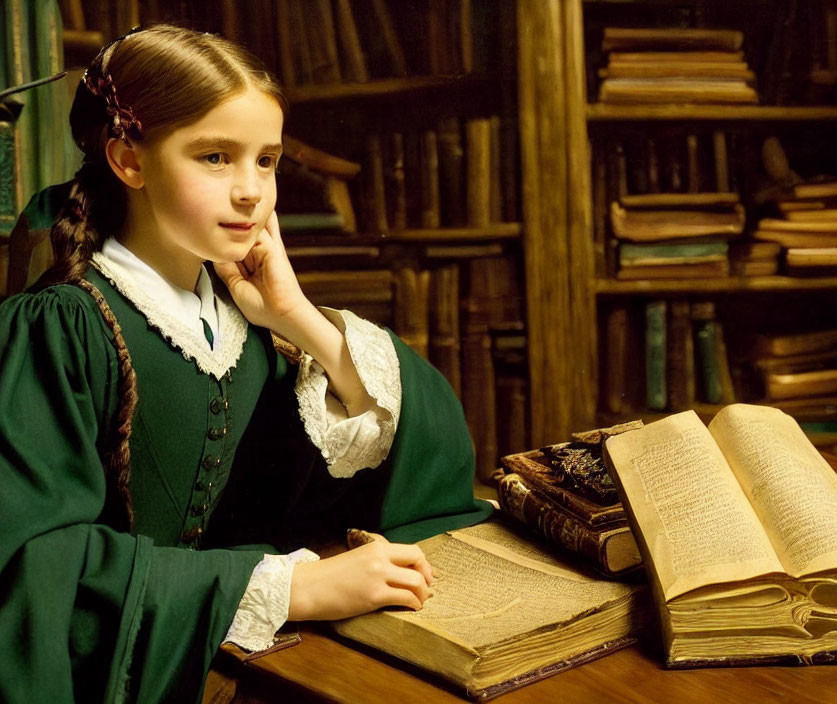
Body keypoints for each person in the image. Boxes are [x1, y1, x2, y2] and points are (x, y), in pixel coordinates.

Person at [0, 25, 491, 703]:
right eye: (214, 157)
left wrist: (298, 320)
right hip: (135, 675)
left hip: (248, 656)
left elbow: (415, 449)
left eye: (266, 160)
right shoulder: (62, 326)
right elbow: (37, 569)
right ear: (129, 160)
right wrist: (291, 587)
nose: (250, 191)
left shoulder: (241, 317)